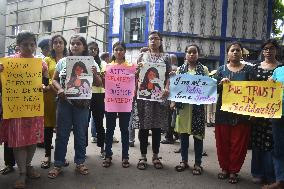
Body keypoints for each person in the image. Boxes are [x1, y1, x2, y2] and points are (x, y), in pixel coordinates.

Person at [47, 35, 102, 179]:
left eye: (78, 44)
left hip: (82, 104)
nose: (75, 46)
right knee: (61, 134)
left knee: (80, 133)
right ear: (69, 46)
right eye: (72, 44)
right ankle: (58, 164)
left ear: (84, 46)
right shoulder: (63, 62)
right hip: (64, 103)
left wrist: (95, 73)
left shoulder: (91, 63)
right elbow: (54, 81)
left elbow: (98, 83)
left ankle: (80, 163)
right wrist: (59, 89)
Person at [0, 31, 49, 189]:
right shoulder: (8, 62)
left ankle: (28, 166)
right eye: (25, 44)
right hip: (16, 109)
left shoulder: (41, 63)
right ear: (18, 45)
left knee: (32, 139)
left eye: (32, 44)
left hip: (34, 107)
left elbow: (46, 83)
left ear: (35, 45)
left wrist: (44, 86)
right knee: (18, 141)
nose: (29, 47)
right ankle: (22, 173)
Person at [214, 42, 255, 184]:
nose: (235, 52)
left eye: (238, 50)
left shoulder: (250, 71)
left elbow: (256, 91)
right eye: (233, 50)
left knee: (239, 144)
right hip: (223, 113)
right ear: (228, 53)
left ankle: (234, 171)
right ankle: (224, 169)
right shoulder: (221, 70)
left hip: (242, 114)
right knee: (222, 142)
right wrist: (220, 85)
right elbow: (212, 92)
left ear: (242, 53)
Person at [136, 31, 171, 170]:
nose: (153, 41)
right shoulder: (141, 56)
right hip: (144, 98)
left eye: (156, 39)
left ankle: (155, 156)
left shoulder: (166, 57)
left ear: (161, 41)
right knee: (143, 127)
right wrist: (136, 71)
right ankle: (143, 156)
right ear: (148, 41)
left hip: (159, 98)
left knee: (157, 128)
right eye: (151, 39)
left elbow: (168, 75)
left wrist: (167, 88)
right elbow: (136, 75)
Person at [174, 44, 209, 175]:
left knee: (198, 137)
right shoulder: (180, 70)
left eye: (194, 52)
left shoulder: (204, 69)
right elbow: (176, 89)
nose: (192, 54)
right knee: (183, 136)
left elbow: (207, 88)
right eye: (189, 52)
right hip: (183, 109)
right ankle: (184, 161)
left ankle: (198, 163)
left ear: (198, 54)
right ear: (185, 54)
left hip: (197, 109)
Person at [102, 41, 133, 168]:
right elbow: (104, 84)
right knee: (109, 130)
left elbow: (134, 83)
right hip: (111, 102)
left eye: (121, 49)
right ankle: (108, 155)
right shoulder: (108, 67)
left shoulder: (131, 66)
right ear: (113, 51)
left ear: (125, 51)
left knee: (124, 130)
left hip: (125, 102)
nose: (119, 52)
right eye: (116, 49)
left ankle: (125, 156)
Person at [41, 34, 68, 169]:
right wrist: (47, 86)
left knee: (62, 129)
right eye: (55, 42)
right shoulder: (46, 60)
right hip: (49, 98)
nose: (58, 44)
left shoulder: (69, 60)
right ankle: (47, 155)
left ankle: (60, 156)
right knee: (48, 127)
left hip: (65, 98)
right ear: (52, 45)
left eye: (61, 42)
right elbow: (43, 78)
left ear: (64, 45)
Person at [262, 41, 284, 189]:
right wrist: (270, 83)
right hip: (278, 114)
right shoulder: (279, 70)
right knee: (279, 149)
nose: (268, 51)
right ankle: (280, 181)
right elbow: (271, 92)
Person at [88, 41, 106, 157]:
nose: (93, 51)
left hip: (99, 95)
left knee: (99, 122)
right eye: (91, 49)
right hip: (84, 95)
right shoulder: (82, 61)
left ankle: (102, 148)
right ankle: (82, 149)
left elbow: (103, 81)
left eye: (95, 49)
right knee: (83, 123)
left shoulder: (102, 63)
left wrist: (96, 75)